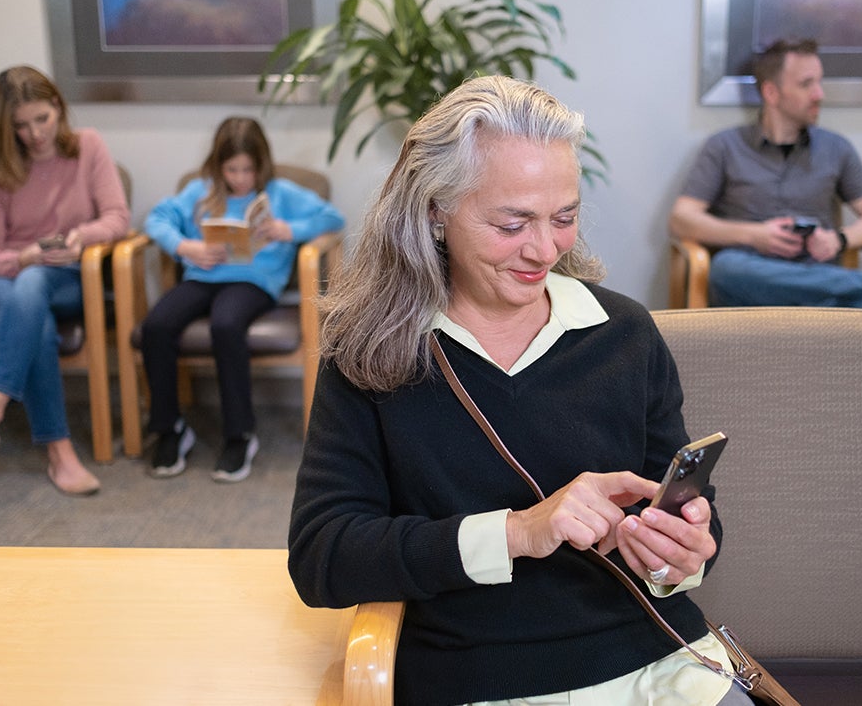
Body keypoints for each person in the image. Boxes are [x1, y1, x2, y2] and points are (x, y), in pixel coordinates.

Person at [288, 76, 752, 705]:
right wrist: (517, 531)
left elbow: (684, 512)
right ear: (435, 211)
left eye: (564, 218)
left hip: (656, 665)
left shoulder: (623, 334)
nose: (543, 250)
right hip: (473, 678)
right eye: (512, 224)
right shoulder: (371, 351)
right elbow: (324, 556)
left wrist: (682, 553)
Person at [669, 38, 862, 312]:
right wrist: (755, 235)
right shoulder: (724, 146)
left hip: (822, 288)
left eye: (819, 82)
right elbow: (682, 219)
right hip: (750, 286)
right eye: (806, 84)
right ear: (772, 93)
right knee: (726, 268)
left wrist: (839, 239)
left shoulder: (836, 148)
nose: (819, 94)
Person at [141, 116, 344, 483]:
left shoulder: (281, 193)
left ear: (261, 164)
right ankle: (169, 427)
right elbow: (157, 219)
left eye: (247, 169)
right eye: (231, 169)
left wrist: (288, 230)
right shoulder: (201, 192)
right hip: (203, 276)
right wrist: (186, 246)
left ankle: (239, 434)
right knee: (156, 325)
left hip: (254, 282)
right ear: (218, 166)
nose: (239, 178)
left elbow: (332, 217)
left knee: (226, 323)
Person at [0, 65, 130, 496]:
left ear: (58, 106)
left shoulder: (87, 146)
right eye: (21, 125)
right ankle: (60, 454)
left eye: (42, 119)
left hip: (67, 279)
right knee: (34, 307)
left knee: (35, 285)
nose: (35, 134)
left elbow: (117, 217)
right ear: (6, 127)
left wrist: (81, 238)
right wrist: (25, 256)